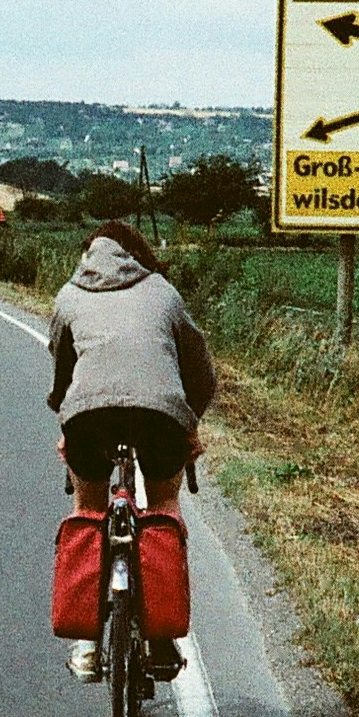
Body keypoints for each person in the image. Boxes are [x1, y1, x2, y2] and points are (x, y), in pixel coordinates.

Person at [47, 220, 216, 683]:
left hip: (87, 417)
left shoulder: (69, 296)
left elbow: (63, 375)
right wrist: (189, 424)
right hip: (160, 416)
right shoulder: (163, 292)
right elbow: (199, 371)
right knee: (163, 504)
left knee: (89, 507)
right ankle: (161, 638)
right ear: (137, 252)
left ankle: (86, 645)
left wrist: (69, 420)